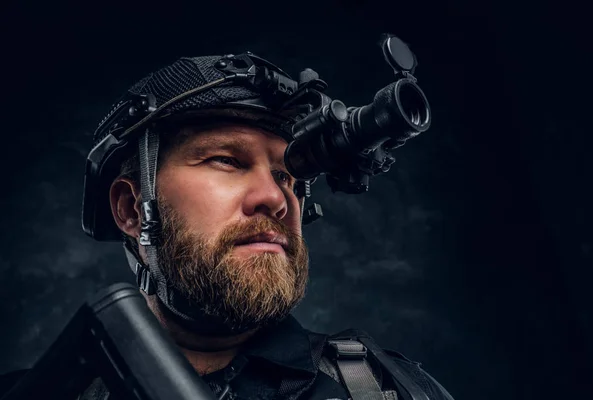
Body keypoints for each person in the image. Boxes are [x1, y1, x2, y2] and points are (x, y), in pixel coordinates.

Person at [2, 51, 453, 400]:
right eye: (227, 160)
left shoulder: (380, 388)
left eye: (286, 176)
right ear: (131, 209)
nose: (276, 198)